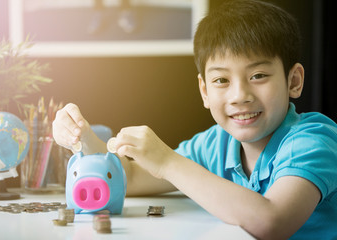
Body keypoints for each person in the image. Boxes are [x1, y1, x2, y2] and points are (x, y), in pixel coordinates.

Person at [52, 0, 337, 239]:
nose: (240, 95)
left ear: (294, 81)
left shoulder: (313, 139)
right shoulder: (216, 143)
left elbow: (272, 221)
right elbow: (133, 178)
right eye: (222, 80)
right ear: (204, 90)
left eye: (258, 76)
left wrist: (167, 161)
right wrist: (85, 138)